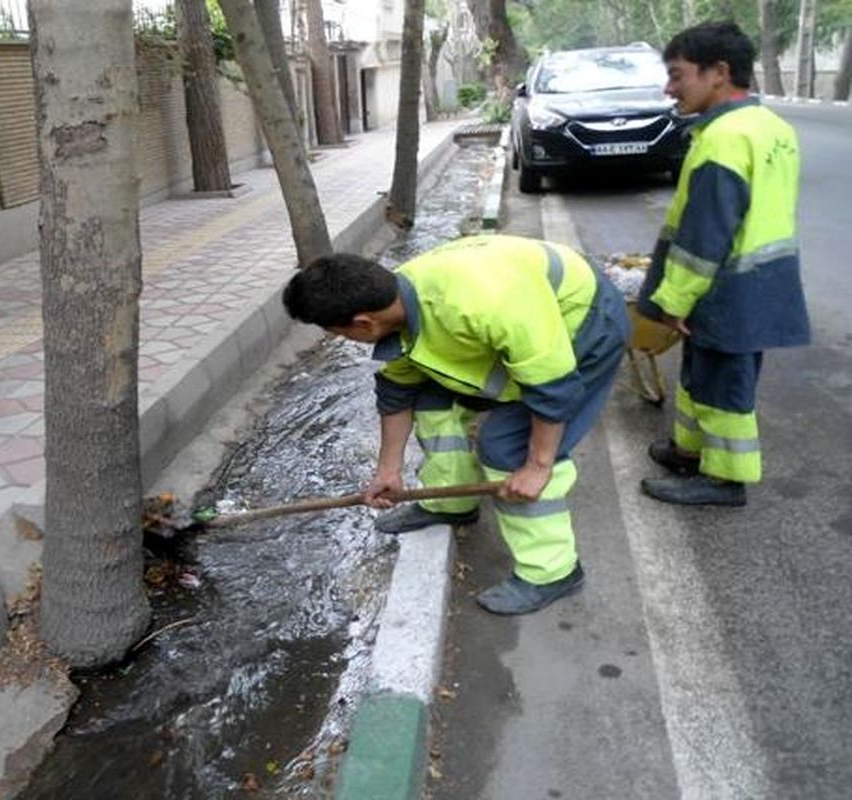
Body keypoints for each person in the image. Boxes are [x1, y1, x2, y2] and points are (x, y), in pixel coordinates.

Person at [283, 235, 631, 615]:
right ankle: (451, 503)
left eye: (339, 334)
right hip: (524, 329)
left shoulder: (485, 303)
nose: (345, 341)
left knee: (507, 449)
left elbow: (553, 388)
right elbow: (398, 391)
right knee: (434, 402)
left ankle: (552, 572)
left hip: (584, 322)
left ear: (363, 323)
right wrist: (388, 470)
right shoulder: (398, 298)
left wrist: (537, 465)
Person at [637, 21, 809, 506]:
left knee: (724, 384)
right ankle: (691, 451)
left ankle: (725, 478)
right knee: (703, 373)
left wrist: (673, 301)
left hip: (725, 287)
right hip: (762, 280)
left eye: (677, 75)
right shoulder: (771, 127)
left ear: (719, 73)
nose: (670, 88)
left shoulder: (724, 139)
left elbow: (704, 237)